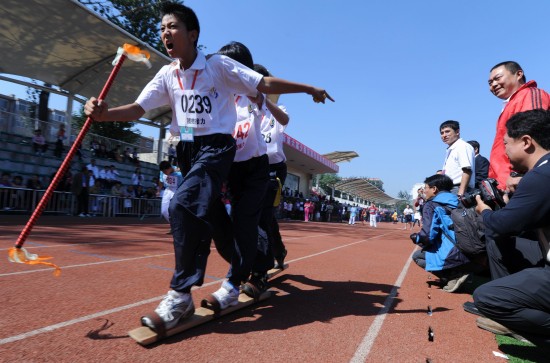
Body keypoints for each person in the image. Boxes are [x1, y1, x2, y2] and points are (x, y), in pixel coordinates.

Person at [84, 2, 333, 332]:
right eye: (162, 29)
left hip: (228, 156)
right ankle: (252, 266)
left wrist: (308, 88)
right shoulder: (169, 75)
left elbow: (265, 85)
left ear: (192, 34)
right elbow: (138, 109)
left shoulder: (221, 69)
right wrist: (103, 113)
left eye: (171, 27)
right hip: (195, 154)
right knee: (217, 228)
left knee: (187, 207)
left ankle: (190, 291)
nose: (164, 33)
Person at [473, 109, 550, 349]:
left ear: (526, 141)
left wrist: (484, 210)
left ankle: (508, 304)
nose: (504, 151)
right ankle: (515, 296)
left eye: (506, 143)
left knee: (486, 297)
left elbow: (499, 226)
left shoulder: (540, 177)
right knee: (500, 241)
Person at [487, 61, 550, 191]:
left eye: (497, 78)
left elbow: (535, 134)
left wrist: (518, 175)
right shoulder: (511, 104)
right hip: (505, 183)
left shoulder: (530, 94)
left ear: (519, 74)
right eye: (490, 83)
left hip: (520, 181)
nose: (493, 84)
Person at [410, 174, 471, 292]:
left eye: (426, 188)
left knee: (417, 256)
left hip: (453, 253)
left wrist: (416, 238)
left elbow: (427, 236)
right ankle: (461, 273)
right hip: (471, 249)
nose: (424, 191)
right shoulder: (460, 200)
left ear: (434, 189)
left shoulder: (432, 204)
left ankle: (453, 276)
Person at [256, 63, 289, 269]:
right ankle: (278, 251)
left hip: (274, 169)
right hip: (252, 167)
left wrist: (265, 100)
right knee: (260, 216)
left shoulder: (275, 110)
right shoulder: (241, 108)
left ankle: (264, 262)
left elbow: (284, 119)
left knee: (264, 216)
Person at [439, 120, 475, 196]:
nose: (444, 135)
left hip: (459, 189)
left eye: (447, 131)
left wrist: (460, 194)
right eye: (442, 133)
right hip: (449, 190)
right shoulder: (451, 149)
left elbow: (467, 171)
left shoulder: (462, 146)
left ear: (457, 132)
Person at [158, 160, 183, 229]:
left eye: (165, 171)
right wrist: (158, 190)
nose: (164, 173)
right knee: (164, 211)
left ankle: (177, 226)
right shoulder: (162, 172)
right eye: (163, 172)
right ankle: (173, 224)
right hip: (167, 190)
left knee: (174, 208)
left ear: (169, 168)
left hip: (177, 190)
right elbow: (161, 181)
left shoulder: (179, 173)